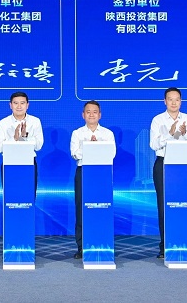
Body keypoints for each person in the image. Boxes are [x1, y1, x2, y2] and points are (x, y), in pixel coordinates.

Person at [149, 87, 187, 259]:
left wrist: (185, 135)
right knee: (164, 205)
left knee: (183, 203)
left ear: (181, 101)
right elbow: (153, 145)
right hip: (163, 164)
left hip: (183, 165)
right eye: (170, 99)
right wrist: (170, 134)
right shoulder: (158, 120)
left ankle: (183, 242)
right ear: (165, 101)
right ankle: (165, 245)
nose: (174, 102)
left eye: (177, 99)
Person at [69, 100, 115, 259]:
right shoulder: (77, 133)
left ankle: (102, 242)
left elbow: (111, 154)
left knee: (102, 207)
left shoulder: (107, 134)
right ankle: (82, 246)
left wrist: (94, 148)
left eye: (95, 112)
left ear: (100, 115)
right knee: (81, 208)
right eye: (88, 112)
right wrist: (91, 147)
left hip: (102, 174)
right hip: (83, 172)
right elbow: (75, 153)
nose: (91, 115)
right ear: (83, 115)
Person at [0, 91, 44, 197]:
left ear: (27, 105)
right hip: (9, 163)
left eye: (22, 103)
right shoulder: (3, 123)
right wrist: (14, 139)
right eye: (16, 103)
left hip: (29, 162)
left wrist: (25, 138)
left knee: (28, 196)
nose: (19, 106)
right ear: (10, 105)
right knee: (10, 197)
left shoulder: (35, 121)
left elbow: (39, 146)